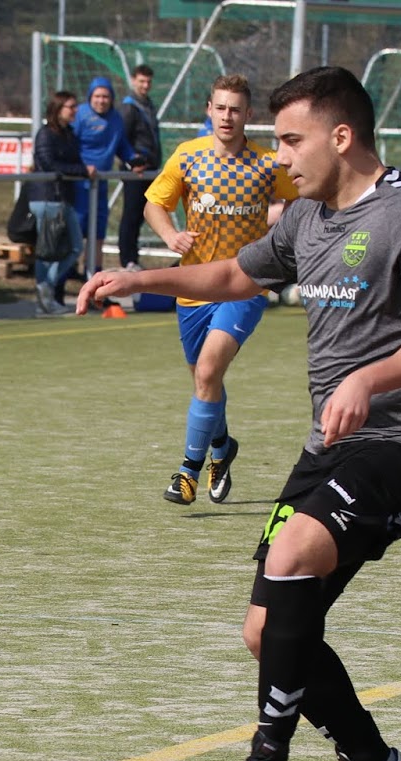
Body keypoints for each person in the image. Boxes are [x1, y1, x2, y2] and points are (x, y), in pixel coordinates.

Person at [78, 66, 401, 761]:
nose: (280, 157)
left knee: (290, 558)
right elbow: (233, 273)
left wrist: (367, 380)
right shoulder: (305, 218)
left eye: (292, 140)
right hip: (332, 445)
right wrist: (139, 276)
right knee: (267, 633)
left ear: (341, 137)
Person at [140, 74, 297, 506]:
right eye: (221, 108)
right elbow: (154, 204)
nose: (227, 117)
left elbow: (302, 196)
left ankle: (188, 472)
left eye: (236, 110)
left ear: (249, 115)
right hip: (194, 287)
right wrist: (170, 235)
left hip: (245, 286)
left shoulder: (267, 164)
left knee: (209, 371)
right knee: (204, 381)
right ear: (209, 110)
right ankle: (223, 447)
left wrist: (279, 235)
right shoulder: (188, 156)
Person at [71, 76, 139, 285]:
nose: (101, 101)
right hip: (78, 184)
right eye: (98, 96)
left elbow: (122, 146)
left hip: (100, 184)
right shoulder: (80, 115)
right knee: (75, 231)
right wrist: (79, 168)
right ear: (90, 97)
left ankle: (94, 278)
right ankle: (65, 277)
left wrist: (134, 160)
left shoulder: (115, 119)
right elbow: (68, 144)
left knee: (98, 232)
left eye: (106, 96)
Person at [29, 91, 89, 316]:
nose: (75, 111)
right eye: (70, 107)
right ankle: (44, 296)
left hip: (63, 199)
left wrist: (82, 169)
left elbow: (75, 162)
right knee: (47, 251)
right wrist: (82, 170)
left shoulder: (69, 134)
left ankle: (46, 288)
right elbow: (48, 164)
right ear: (58, 109)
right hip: (47, 198)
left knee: (75, 247)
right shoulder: (45, 134)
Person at [117, 64, 161, 273]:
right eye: (141, 81)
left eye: (148, 82)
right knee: (131, 214)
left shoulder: (148, 104)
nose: (145, 85)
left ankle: (133, 257)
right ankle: (127, 259)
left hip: (149, 169)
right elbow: (122, 139)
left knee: (142, 213)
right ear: (133, 80)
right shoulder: (129, 107)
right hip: (136, 171)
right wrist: (131, 162)